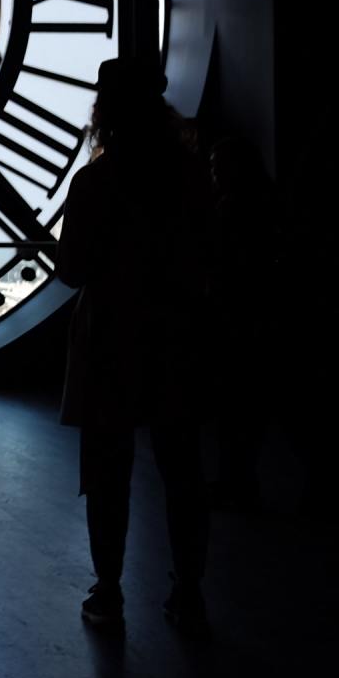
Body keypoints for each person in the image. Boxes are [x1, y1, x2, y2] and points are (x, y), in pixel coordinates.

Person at [55, 56, 213, 637]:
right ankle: (189, 589)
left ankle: (109, 587)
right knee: (182, 470)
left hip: (110, 336)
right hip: (176, 332)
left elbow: (72, 270)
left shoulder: (95, 183)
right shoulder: (192, 177)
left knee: (107, 472)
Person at [204, 135, 278, 512]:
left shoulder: (228, 210)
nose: (214, 171)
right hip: (249, 320)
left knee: (233, 410)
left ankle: (235, 480)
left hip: (231, 321)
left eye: (218, 164)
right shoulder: (258, 207)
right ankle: (240, 480)